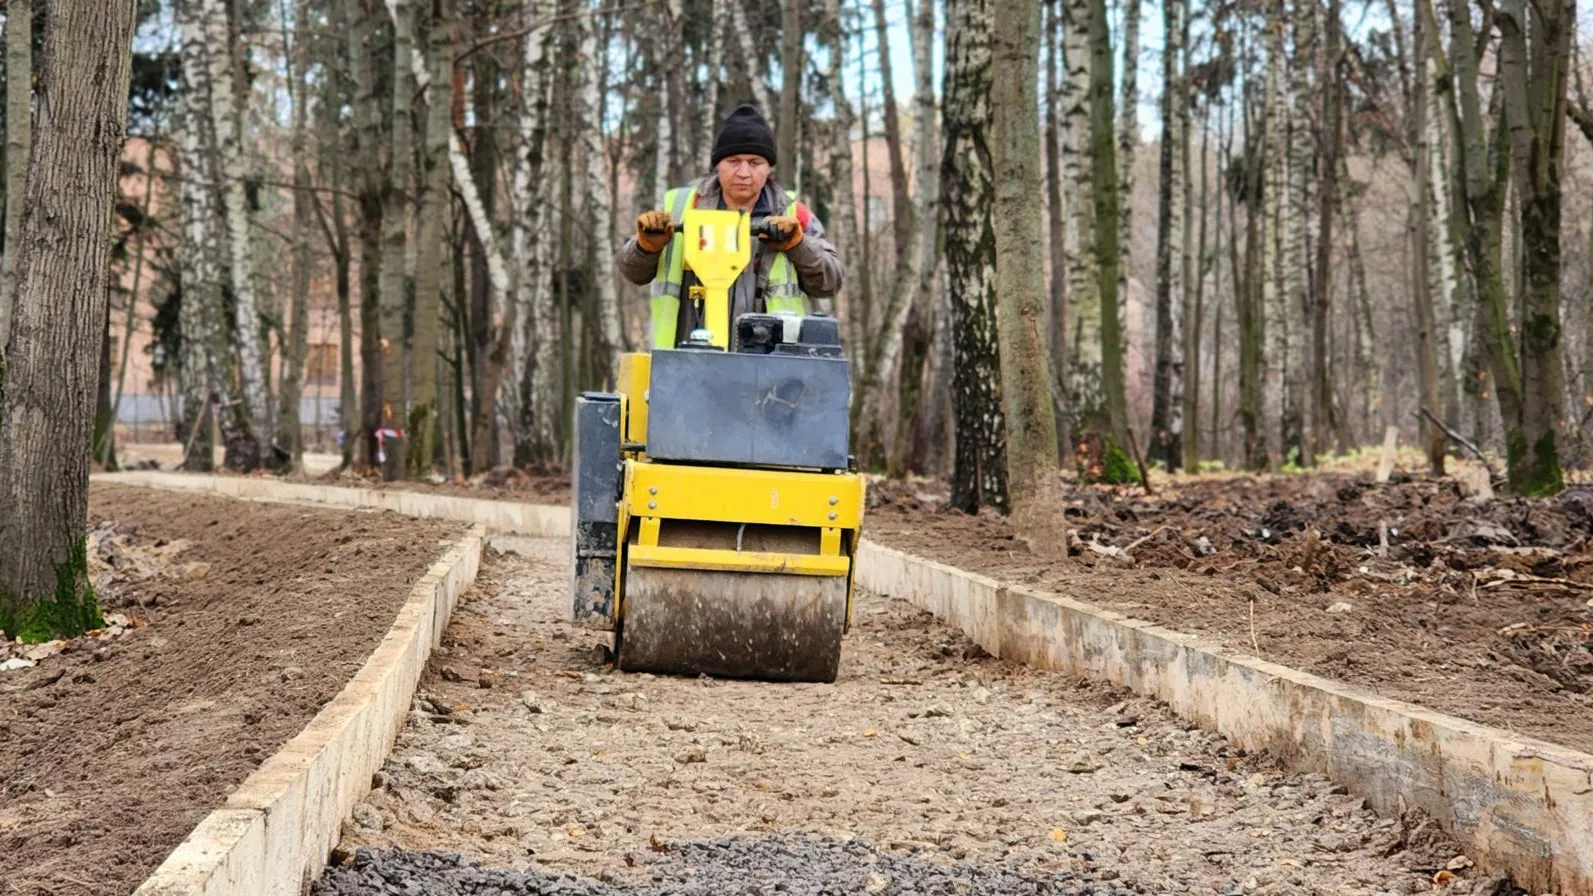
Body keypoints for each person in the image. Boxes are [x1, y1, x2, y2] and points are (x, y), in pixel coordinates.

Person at [615, 104, 844, 349]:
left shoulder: (792, 214)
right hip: (684, 362)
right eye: (734, 161)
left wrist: (798, 246)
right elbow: (631, 271)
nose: (744, 172)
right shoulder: (682, 207)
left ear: (769, 168)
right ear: (718, 165)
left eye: (755, 162)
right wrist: (646, 248)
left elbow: (829, 282)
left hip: (767, 366)